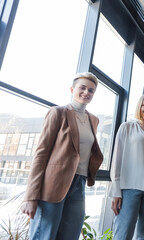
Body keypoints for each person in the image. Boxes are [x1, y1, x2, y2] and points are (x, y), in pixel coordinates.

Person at [21, 72, 104, 239]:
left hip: (79, 183)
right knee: (45, 234)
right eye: (82, 88)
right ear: (72, 89)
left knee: (70, 234)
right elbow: (41, 154)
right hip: (54, 183)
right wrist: (30, 196)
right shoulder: (57, 113)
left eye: (91, 90)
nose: (86, 92)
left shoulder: (93, 120)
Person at [109, 92, 144, 240]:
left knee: (143, 236)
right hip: (128, 189)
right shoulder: (126, 127)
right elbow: (117, 159)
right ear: (139, 106)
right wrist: (116, 191)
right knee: (122, 234)